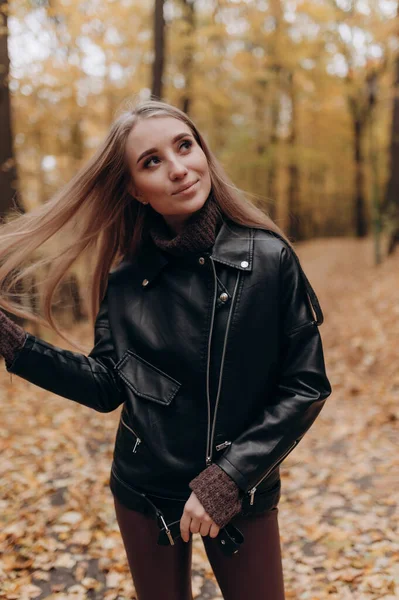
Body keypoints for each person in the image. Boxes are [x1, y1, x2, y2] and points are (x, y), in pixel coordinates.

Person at [0, 99, 332, 600]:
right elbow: (107, 384)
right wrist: (14, 344)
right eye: (151, 161)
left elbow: (305, 386)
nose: (178, 169)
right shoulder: (127, 277)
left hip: (239, 491)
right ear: (135, 189)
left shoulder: (269, 258)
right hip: (143, 488)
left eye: (184, 146)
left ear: (203, 151)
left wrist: (228, 479)